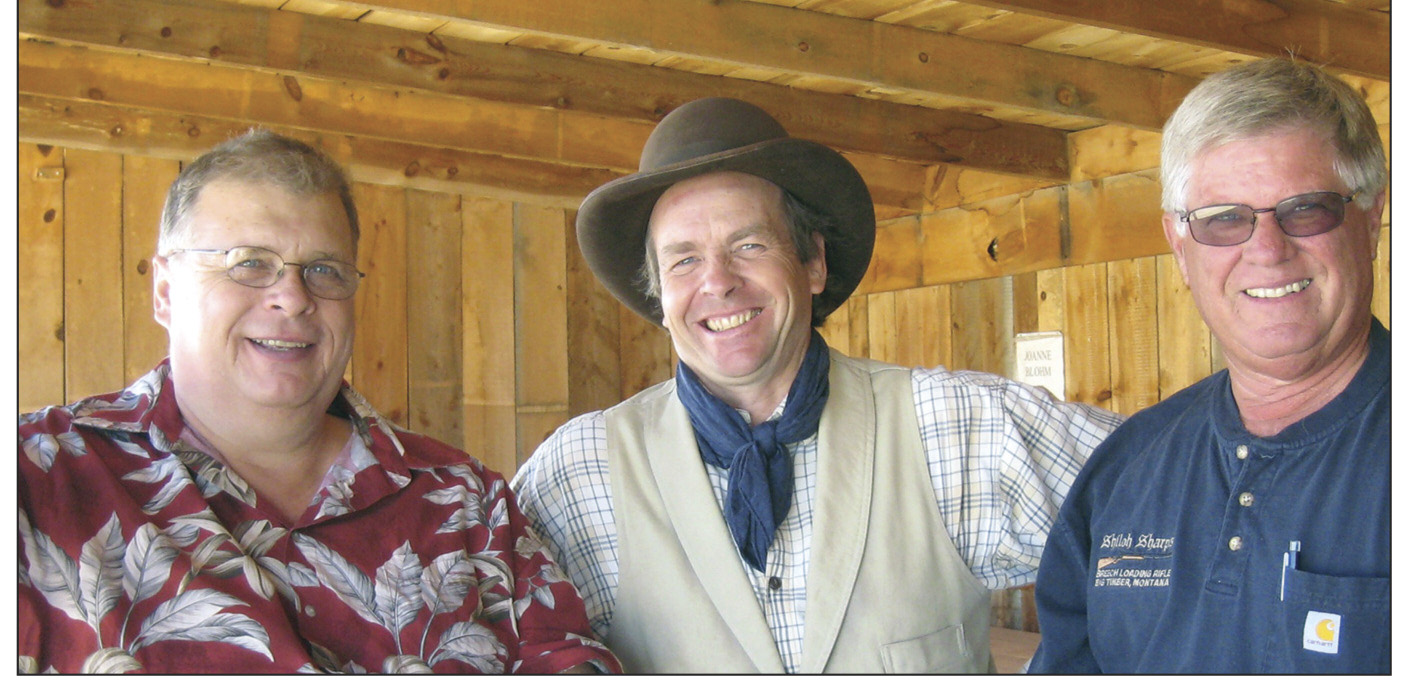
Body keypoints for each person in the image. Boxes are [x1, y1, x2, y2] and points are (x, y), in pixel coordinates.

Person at [509, 96, 1122, 673]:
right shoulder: (578, 472)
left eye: (748, 244)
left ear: (813, 263)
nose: (718, 282)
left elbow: (1185, 502)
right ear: (661, 295)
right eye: (685, 260)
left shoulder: (954, 426)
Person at [17, 131, 620, 675]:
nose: (293, 297)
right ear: (167, 292)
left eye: (325, 271)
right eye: (250, 263)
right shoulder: (39, 479)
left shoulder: (468, 504)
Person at [1027, 58, 1389, 674]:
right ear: (1177, 243)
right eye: (1225, 220)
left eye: (1305, 209)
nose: (1268, 250)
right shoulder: (1125, 470)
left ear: (1371, 215)